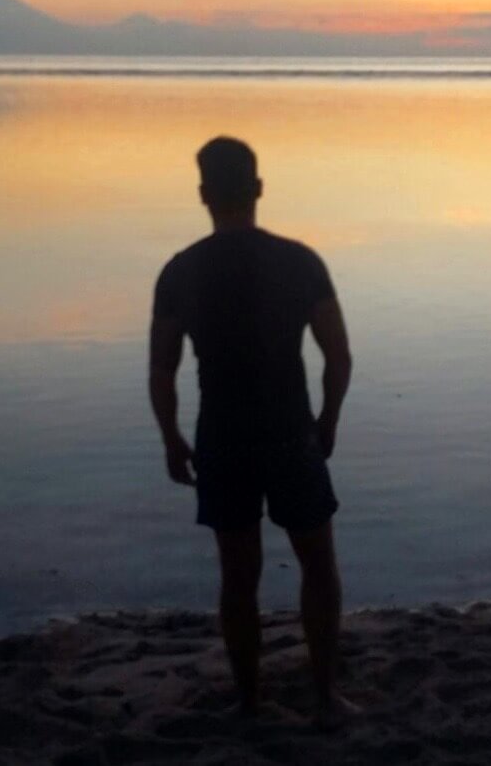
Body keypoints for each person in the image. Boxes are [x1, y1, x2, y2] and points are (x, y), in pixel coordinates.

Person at [148, 136, 358, 723]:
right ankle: (324, 696)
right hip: (292, 433)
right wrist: (328, 419)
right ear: (259, 188)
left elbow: (162, 366)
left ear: (203, 194)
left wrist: (170, 438)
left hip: (223, 437)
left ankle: (249, 702)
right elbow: (337, 355)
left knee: (238, 577)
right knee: (318, 565)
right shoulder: (300, 261)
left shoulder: (180, 270)